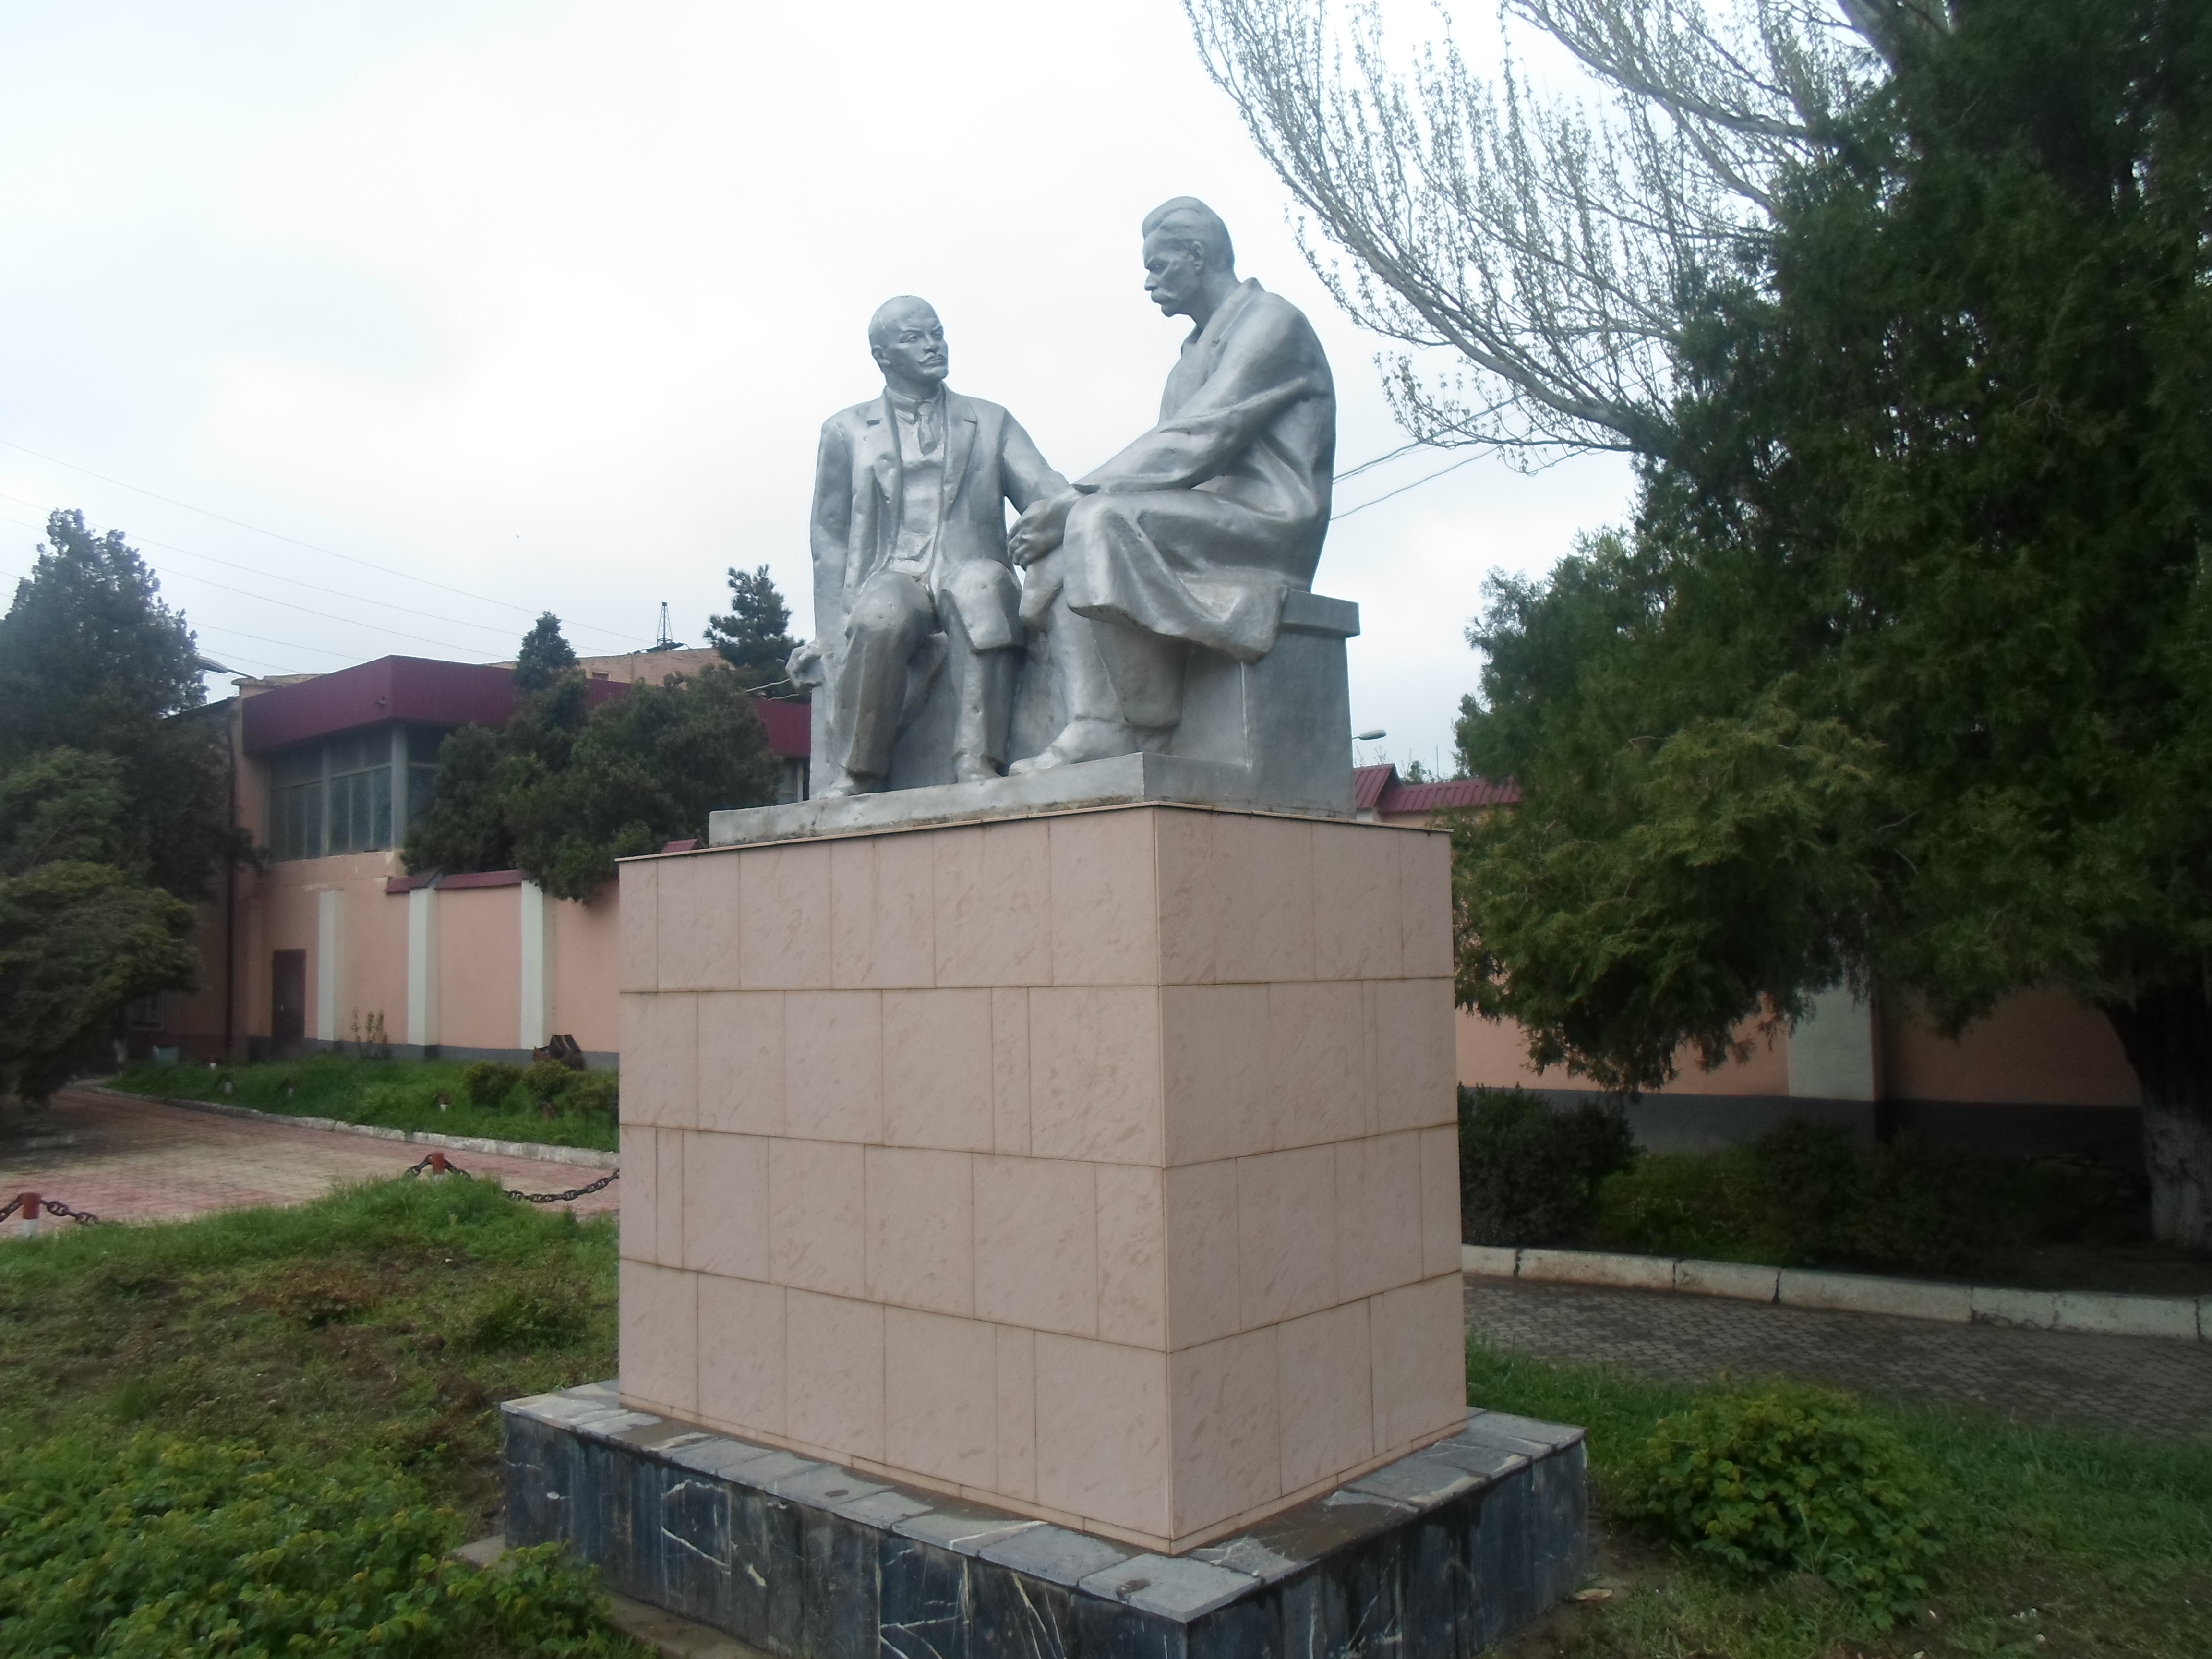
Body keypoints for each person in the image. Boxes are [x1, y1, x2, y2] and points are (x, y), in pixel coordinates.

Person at [1009, 198, 1335, 771]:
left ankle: (1145, 719)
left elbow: (1198, 439)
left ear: (1198, 256)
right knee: (1066, 540)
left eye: (1159, 266)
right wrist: (1070, 512)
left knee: (1095, 519)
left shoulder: (1272, 322)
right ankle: (1097, 721)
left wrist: (1074, 500)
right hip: (1207, 520)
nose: (1149, 283)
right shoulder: (1188, 358)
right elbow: (1168, 467)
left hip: (1270, 525)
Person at [800, 297, 1069, 795]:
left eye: (937, 333)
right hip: (891, 570)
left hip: (969, 563)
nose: (933, 346)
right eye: (914, 338)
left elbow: (1045, 492)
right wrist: (829, 634)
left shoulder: (991, 420)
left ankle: (978, 761)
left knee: (981, 589)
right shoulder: (845, 431)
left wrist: (1083, 506)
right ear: (883, 356)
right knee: (881, 614)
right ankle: (860, 771)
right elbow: (830, 537)